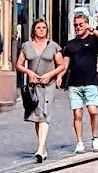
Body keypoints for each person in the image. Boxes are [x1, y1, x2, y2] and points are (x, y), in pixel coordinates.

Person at [18, 16, 64, 163]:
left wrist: (51, 75)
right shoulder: (27, 46)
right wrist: (29, 73)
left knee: (45, 115)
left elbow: (61, 65)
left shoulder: (53, 46)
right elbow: (19, 64)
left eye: (44, 28)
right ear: (34, 30)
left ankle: (40, 149)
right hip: (33, 86)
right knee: (37, 118)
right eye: (39, 28)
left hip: (48, 85)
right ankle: (42, 148)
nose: (42, 30)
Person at [61, 8, 98, 150]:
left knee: (93, 110)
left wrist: (92, 29)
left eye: (81, 24)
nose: (78, 28)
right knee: (77, 113)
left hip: (90, 82)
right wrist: (59, 76)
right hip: (74, 83)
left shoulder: (93, 40)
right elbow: (65, 63)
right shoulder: (71, 44)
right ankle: (79, 142)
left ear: (86, 24)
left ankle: (95, 137)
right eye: (76, 25)